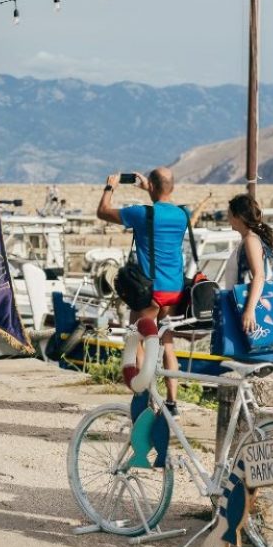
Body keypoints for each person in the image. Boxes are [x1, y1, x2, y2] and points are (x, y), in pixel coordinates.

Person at [96, 167, 189, 410]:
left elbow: (103, 211)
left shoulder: (141, 213)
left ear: (152, 187)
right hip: (175, 289)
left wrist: (110, 187)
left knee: (137, 338)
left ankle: (144, 395)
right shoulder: (182, 214)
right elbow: (163, 204)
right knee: (167, 342)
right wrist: (151, 189)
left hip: (151, 290)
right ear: (172, 187)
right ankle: (172, 403)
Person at [222, 194, 273, 333]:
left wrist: (249, 310)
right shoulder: (247, 240)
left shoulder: (251, 240)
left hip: (248, 312)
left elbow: (259, 275)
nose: (227, 218)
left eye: (229, 214)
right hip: (239, 308)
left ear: (238, 216)